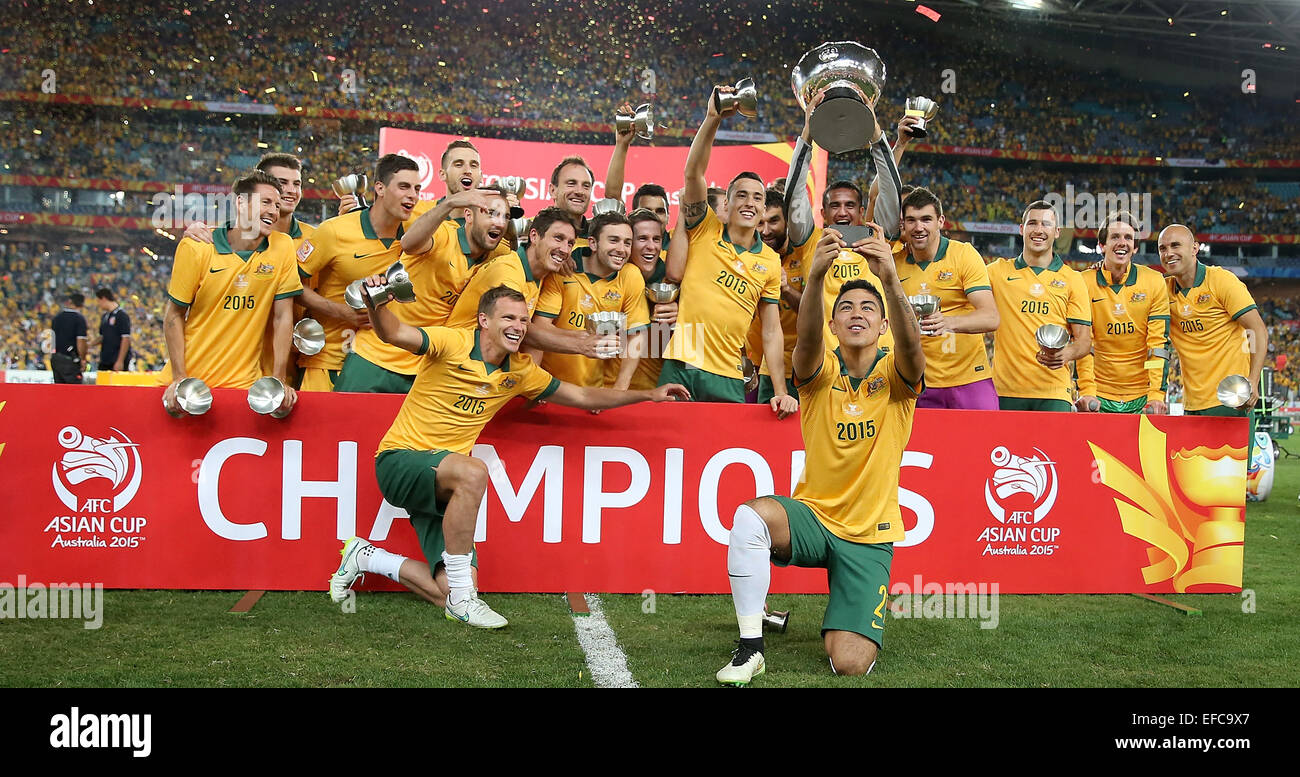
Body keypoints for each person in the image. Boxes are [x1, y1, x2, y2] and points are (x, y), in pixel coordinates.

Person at [329, 284, 689, 627]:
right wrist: (377, 304)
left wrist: (649, 395)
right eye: (508, 318)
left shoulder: (520, 372)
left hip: (443, 483)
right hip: (400, 461)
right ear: (484, 321)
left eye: (522, 320)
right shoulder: (452, 341)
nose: (518, 327)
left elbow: (582, 397)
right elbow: (395, 334)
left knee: (445, 589)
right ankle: (464, 600)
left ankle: (367, 556)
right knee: (474, 472)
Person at [716, 223, 925, 685]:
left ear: (883, 323)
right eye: (845, 307)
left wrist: (890, 279)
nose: (857, 314)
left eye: (868, 308)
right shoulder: (820, 373)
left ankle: (848, 604)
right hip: (814, 518)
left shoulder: (896, 379)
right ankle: (751, 647)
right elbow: (805, 343)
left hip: (869, 537)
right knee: (751, 518)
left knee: (848, 664)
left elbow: (914, 351)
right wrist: (814, 279)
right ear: (833, 323)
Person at [658, 83, 796, 415]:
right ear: (728, 203)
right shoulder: (705, 228)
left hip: (729, 375)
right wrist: (712, 118)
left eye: (758, 197)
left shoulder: (769, 260)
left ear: (764, 209)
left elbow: (773, 331)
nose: (750, 202)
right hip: (683, 363)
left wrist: (779, 390)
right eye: (742, 195)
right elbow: (693, 173)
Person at [159, 170, 303, 413]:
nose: (273, 211)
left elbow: (282, 316)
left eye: (277, 206)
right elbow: (173, 315)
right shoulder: (197, 247)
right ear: (240, 202)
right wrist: (180, 379)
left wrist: (278, 380)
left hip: (244, 386)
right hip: (191, 385)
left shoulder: (282, 247)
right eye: (265, 202)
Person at [784, 93, 902, 355]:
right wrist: (808, 133)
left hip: (877, 360)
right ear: (823, 212)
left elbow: (892, 192)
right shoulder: (809, 239)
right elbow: (793, 195)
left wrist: (875, 134)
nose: (842, 212)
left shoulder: (876, 238)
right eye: (835, 206)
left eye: (849, 205)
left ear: (861, 211)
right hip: (826, 361)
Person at [309, 154, 422, 393]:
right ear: (379, 188)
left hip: (381, 365)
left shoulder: (418, 236)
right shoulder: (333, 231)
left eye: (417, 188)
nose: (412, 194)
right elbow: (290, 286)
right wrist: (339, 311)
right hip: (330, 360)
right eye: (404, 186)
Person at [445, 206, 617, 359]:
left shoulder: (542, 273)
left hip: (479, 365)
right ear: (534, 236)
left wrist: (583, 337)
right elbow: (518, 330)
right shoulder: (508, 270)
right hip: (455, 362)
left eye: (570, 243)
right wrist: (581, 345)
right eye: (558, 238)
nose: (565, 249)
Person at [893, 187, 1000, 409]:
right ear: (902, 224)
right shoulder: (894, 263)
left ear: (940, 221)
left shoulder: (963, 255)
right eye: (911, 220)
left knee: (985, 441)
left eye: (926, 219)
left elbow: (991, 317)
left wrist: (949, 322)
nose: (919, 227)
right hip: (918, 382)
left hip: (970, 378)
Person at [987, 201, 1092, 411]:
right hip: (1006, 391)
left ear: (1057, 232)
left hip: (1053, 392)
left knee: (1052, 446)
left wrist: (1068, 353)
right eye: (1032, 223)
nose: (1038, 230)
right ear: (1021, 229)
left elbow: (1084, 341)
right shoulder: (997, 272)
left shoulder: (1073, 279)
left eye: (1046, 224)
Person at [1159, 224, 1268, 418]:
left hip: (1231, 401)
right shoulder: (1161, 290)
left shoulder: (1222, 281)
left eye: (1176, 245)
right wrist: (1103, 266)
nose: (1169, 253)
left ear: (1195, 248)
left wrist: (1253, 380)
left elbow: (1257, 329)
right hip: (1192, 404)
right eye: (1163, 248)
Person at [534, 212, 650, 389]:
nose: (622, 249)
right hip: (551, 386)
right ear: (593, 243)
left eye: (627, 243)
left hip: (592, 390)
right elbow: (540, 327)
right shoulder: (563, 268)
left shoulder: (630, 275)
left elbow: (636, 335)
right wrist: (538, 382)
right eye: (613, 240)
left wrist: (620, 387)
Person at [1074, 212, 1171, 413]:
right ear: (1102, 245)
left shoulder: (1154, 281)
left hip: (1142, 396)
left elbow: (1157, 345)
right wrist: (1087, 390)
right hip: (1098, 396)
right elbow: (1084, 344)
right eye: (1115, 237)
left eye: (1128, 238)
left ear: (1135, 247)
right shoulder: (1083, 282)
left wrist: (1155, 395)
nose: (1122, 242)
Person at [746, 188, 808, 402]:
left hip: (805, 367)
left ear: (787, 221)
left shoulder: (804, 254)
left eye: (773, 221)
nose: (765, 231)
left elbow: (814, 313)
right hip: (767, 367)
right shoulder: (749, 257)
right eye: (760, 223)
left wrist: (786, 289)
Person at [50, 291, 88, 384]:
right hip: (70, 360)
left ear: (69, 302)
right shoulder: (79, 319)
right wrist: (83, 359)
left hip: (56, 358)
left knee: (59, 390)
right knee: (74, 392)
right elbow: (81, 341)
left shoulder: (57, 318)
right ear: (82, 305)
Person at [92, 288, 132, 372]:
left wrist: (120, 361)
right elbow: (103, 336)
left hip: (116, 360)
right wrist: (90, 344)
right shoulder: (105, 316)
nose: (98, 304)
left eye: (98, 301)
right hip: (105, 360)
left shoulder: (121, 315)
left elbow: (126, 338)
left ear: (104, 299)